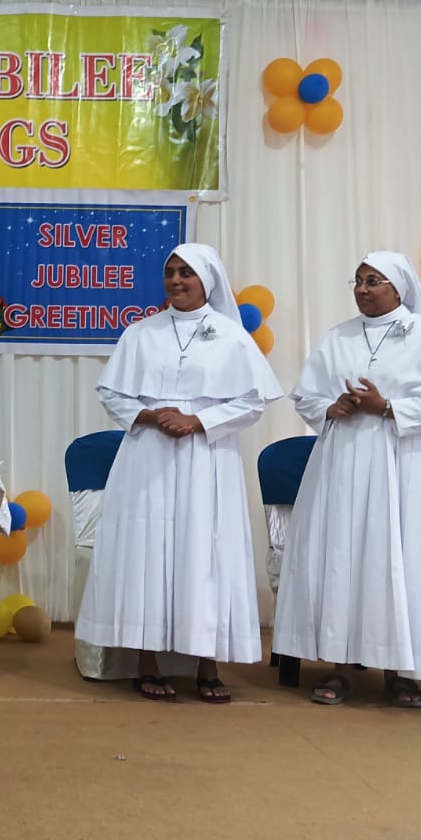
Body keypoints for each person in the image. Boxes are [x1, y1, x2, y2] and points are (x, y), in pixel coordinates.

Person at [75, 244, 283, 703]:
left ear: (207, 280)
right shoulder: (140, 333)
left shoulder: (230, 336)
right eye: (169, 271)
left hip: (207, 456)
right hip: (147, 454)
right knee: (146, 550)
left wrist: (198, 420)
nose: (175, 280)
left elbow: (253, 400)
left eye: (186, 272)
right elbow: (112, 394)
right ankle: (146, 662)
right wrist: (151, 416)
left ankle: (207, 665)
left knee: (206, 552)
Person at [273, 252, 421, 707]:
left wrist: (387, 407)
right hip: (343, 460)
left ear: (399, 287)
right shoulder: (337, 336)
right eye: (359, 281)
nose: (363, 289)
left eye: (374, 281)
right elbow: (307, 396)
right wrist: (332, 407)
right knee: (344, 555)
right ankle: (341, 667)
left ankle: (400, 673)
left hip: (405, 463)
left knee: (402, 556)